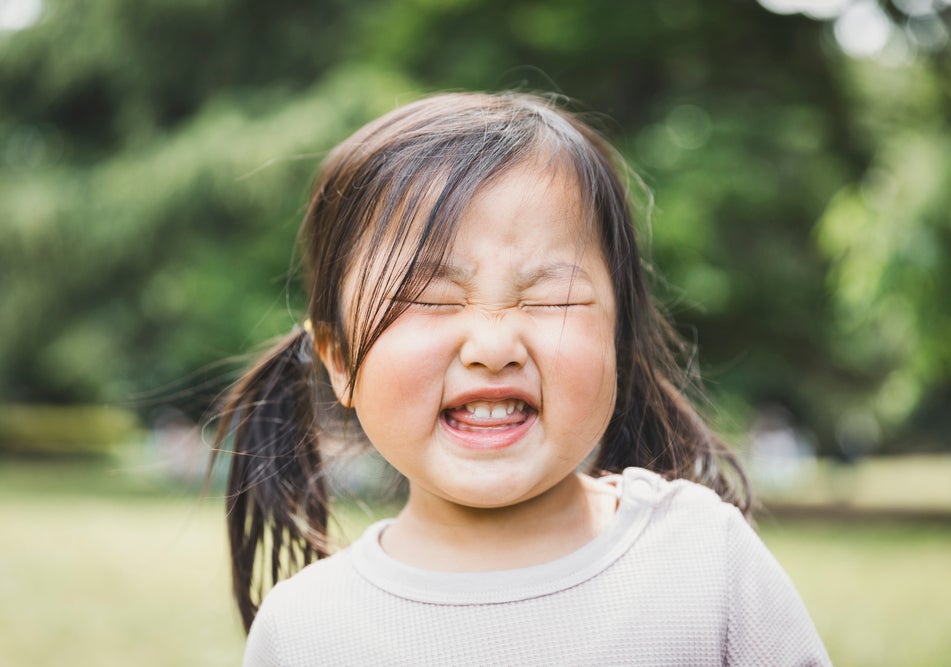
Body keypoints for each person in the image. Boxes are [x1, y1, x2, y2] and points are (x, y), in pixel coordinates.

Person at [213, 91, 832, 666]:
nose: (493, 346)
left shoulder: (702, 561)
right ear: (341, 361)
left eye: (554, 300)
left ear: (617, 339)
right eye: (428, 298)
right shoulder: (306, 631)